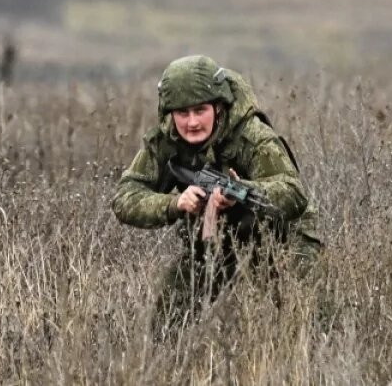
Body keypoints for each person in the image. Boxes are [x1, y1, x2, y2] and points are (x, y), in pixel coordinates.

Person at [112, 54, 321, 332]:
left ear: (218, 107)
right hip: (216, 241)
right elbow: (125, 197)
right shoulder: (164, 141)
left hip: (281, 236)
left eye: (200, 110)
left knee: (312, 320)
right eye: (182, 113)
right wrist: (175, 203)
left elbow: (294, 192)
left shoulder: (251, 135)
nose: (192, 122)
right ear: (169, 114)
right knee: (166, 324)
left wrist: (243, 191)